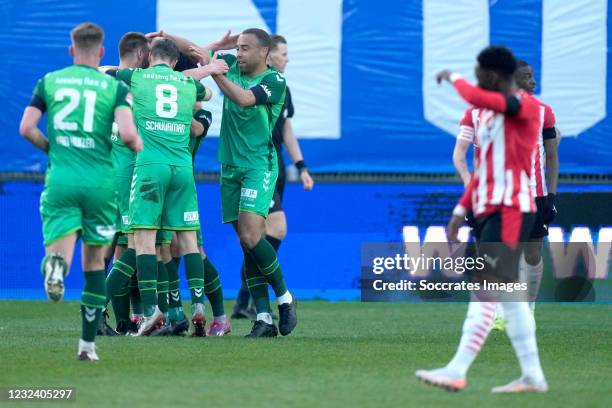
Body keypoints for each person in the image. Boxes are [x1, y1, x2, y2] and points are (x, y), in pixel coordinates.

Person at [416, 46, 548, 393]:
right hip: (490, 209)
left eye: (478, 73)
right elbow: (482, 171)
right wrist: (461, 209)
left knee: (485, 289)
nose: (474, 80)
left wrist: (452, 77)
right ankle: (532, 376)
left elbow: (477, 95)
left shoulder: (526, 107)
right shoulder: (488, 117)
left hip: (511, 210)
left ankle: (457, 369)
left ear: (492, 76)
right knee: (504, 294)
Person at [18, 22, 142, 360]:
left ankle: (55, 267)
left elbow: (26, 128)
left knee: (59, 254)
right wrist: (138, 144)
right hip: (100, 183)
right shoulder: (112, 87)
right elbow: (129, 136)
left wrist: (52, 149)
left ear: (72, 50)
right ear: (101, 52)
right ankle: (87, 347)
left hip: (62, 180)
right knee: (94, 267)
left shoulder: (50, 81)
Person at [113, 38, 227, 336]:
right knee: (189, 242)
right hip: (182, 170)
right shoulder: (187, 85)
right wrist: (207, 67)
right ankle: (199, 306)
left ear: (149, 57)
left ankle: (152, 312)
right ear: (176, 62)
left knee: (146, 240)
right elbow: (209, 90)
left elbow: (107, 72)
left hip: (150, 167)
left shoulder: (137, 77)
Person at [211, 28, 298, 338]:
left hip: (259, 166)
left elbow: (245, 99)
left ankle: (286, 299)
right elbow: (192, 51)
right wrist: (167, 38)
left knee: (253, 237)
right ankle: (263, 319)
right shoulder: (230, 65)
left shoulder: (274, 81)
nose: (239, 53)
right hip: (230, 167)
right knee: (247, 244)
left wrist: (215, 73)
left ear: (264, 52)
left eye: (245, 48)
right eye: (237, 47)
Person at [232, 34, 314, 319]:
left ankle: (247, 302)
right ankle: (254, 298)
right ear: (269, 55)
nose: (287, 58)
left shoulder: (281, 86)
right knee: (271, 230)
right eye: (284, 53)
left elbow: (287, 130)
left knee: (258, 235)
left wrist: (301, 166)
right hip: (257, 165)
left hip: (274, 165)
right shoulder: (252, 80)